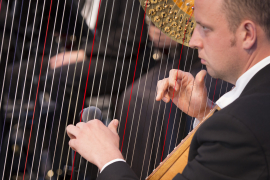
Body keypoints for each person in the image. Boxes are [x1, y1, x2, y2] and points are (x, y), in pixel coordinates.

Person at [67, 0, 270, 179]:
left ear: (248, 34)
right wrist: (206, 113)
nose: (192, 41)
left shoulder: (237, 130)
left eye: (205, 28)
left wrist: (107, 158)